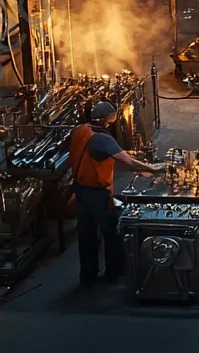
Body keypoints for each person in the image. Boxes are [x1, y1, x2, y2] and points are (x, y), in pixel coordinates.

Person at [70, 101, 164, 287]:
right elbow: (130, 163)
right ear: (108, 119)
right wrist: (153, 168)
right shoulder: (103, 139)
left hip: (80, 190)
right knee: (111, 232)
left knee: (86, 235)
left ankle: (87, 276)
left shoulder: (80, 130)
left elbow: (95, 154)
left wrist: (124, 153)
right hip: (98, 194)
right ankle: (113, 274)